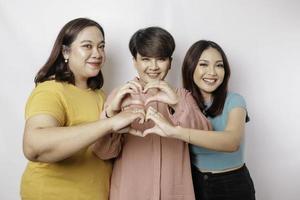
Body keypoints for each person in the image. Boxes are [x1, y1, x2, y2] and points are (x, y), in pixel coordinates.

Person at [20, 18, 144, 200]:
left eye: (101, 46)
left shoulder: (101, 95)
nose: (97, 53)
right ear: (65, 51)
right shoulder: (50, 90)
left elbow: (105, 153)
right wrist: (109, 123)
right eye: (87, 46)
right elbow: (33, 146)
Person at [93, 27, 211, 200]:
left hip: (174, 192)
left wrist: (177, 104)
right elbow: (103, 152)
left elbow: (205, 138)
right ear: (134, 61)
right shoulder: (120, 95)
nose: (153, 67)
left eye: (161, 59)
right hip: (130, 193)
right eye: (146, 59)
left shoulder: (183, 96)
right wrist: (112, 114)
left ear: (170, 62)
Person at [144, 40, 256, 200]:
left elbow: (232, 142)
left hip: (231, 184)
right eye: (204, 64)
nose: (212, 72)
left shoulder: (235, 101)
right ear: (191, 67)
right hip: (193, 183)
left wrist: (176, 132)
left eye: (219, 65)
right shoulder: (180, 101)